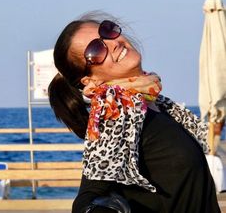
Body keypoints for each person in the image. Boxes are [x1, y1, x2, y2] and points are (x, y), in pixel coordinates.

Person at [48, 14, 220, 213]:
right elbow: (91, 193)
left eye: (107, 31)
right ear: (91, 81)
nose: (112, 44)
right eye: (96, 50)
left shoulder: (153, 103)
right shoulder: (117, 112)